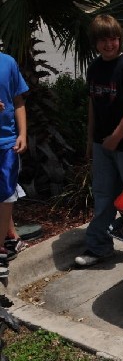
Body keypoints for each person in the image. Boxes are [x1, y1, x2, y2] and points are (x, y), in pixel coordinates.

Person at [75, 14, 123, 266]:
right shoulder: (95, 68)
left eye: (113, 39)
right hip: (102, 144)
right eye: (103, 40)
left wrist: (115, 138)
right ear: (95, 43)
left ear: (119, 39)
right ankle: (98, 247)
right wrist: (91, 140)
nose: (109, 44)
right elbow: (92, 105)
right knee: (103, 195)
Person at [0, 52, 28, 277]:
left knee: (7, 194)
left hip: (7, 142)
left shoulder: (8, 62)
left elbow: (18, 101)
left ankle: (1, 248)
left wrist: (23, 134)